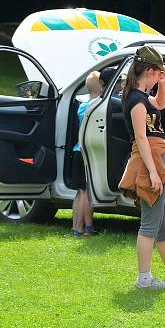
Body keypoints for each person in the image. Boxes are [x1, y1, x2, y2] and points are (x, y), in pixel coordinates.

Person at [119, 46, 165, 290]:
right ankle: (144, 279)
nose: (158, 78)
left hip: (157, 157)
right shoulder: (135, 100)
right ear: (148, 70)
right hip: (149, 160)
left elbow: (160, 104)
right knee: (150, 223)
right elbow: (141, 139)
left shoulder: (142, 96)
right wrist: (153, 172)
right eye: (157, 74)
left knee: (163, 221)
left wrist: (163, 83)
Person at [69, 71, 102, 237]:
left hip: (76, 150)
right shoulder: (97, 106)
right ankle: (84, 227)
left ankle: (77, 226)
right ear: (102, 86)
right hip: (86, 153)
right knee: (88, 192)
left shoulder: (82, 105)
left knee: (80, 192)